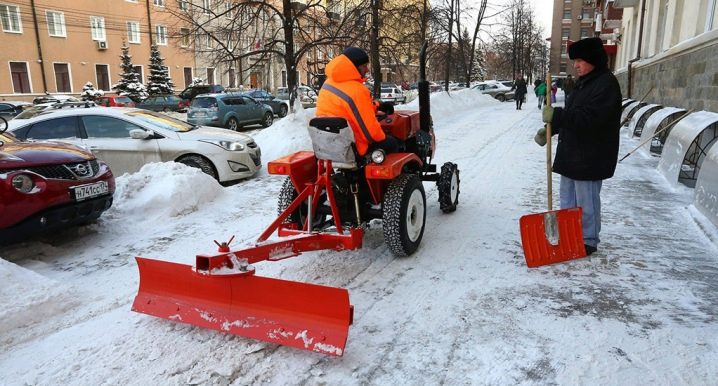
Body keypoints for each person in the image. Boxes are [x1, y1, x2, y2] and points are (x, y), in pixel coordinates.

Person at [535, 37, 622, 256]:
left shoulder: (606, 84)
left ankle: (588, 239)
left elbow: (590, 118)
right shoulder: (585, 83)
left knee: (587, 202)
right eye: (575, 61)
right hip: (572, 154)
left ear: (592, 59)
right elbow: (573, 116)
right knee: (568, 199)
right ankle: (568, 232)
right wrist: (552, 128)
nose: (576, 65)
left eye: (580, 60)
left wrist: (558, 115)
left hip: (591, 156)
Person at [315, 47, 398, 156]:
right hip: (353, 147)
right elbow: (370, 133)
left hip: (330, 143)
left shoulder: (328, 83)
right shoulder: (357, 90)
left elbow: (352, 108)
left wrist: (377, 106)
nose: (367, 70)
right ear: (354, 67)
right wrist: (383, 137)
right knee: (393, 142)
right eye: (364, 66)